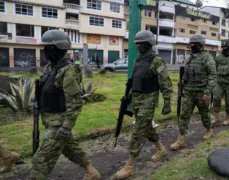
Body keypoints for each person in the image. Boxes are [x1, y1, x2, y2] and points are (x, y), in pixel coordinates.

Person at [30, 30, 101, 180]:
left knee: (40, 160)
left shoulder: (68, 71)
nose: (44, 50)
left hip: (59, 123)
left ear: (55, 48)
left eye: (47, 48)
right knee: (69, 148)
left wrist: (67, 126)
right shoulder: (50, 68)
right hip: (49, 119)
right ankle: (91, 171)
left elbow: (75, 102)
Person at [112, 30, 173, 179]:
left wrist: (167, 103)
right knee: (146, 127)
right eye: (136, 44)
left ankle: (130, 165)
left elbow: (165, 83)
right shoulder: (137, 60)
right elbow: (134, 80)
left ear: (147, 44)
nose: (137, 46)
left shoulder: (157, 61)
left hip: (149, 100)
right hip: (137, 100)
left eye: (140, 44)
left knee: (138, 130)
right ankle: (160, 149)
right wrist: (127, 97)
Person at [170, 34, 216, 150]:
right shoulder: (190, 58)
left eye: (193, 44)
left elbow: (212, 76)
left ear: (200, 45)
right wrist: (183, 81)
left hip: (202, 92)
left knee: (204, 113)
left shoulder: (207, 58)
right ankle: (180, 139)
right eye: (191, 44)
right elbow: (186, 72)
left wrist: (207, 91)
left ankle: (209, 130)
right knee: (184, 115)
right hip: (189, 91)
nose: (191, 46)